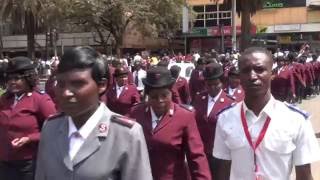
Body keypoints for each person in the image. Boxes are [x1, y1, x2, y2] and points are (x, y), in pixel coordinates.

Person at [35, 46, 152, 180]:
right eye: (61, 84)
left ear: (101, 85)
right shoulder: (50, 128)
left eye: (78, 84)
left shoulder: (126, 134)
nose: (66, 93)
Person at [213, 47, 320, 180]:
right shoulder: (225, 119)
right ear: (240, 76)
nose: (252, 76)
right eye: (246, 71)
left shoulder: (296, 120)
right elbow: (222, 172)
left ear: (272, 73)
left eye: (259, 69)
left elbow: (304, 176)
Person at [128, 66, 211, 180]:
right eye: (154, 97)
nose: (160, 101)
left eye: (164, 95)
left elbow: (196, 157)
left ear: (171, 93)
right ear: (147, 96)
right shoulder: (136, 113)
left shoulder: (184, 116)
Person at [0, 56, 56, 180]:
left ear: (28, 78)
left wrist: (30, 138)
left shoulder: (40, 99)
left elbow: (55, 129)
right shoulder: (5, 99)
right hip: (5, 161)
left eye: (17, 78)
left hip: (29, 163)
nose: (12, 82)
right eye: (9, 78)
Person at [192, 63, 235, 177]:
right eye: (208, 84)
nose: (212, 88)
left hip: (221, 156)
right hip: (201, 153)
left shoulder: (230, 103)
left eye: (216, 84)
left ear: (222, 83)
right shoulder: (199, 98)